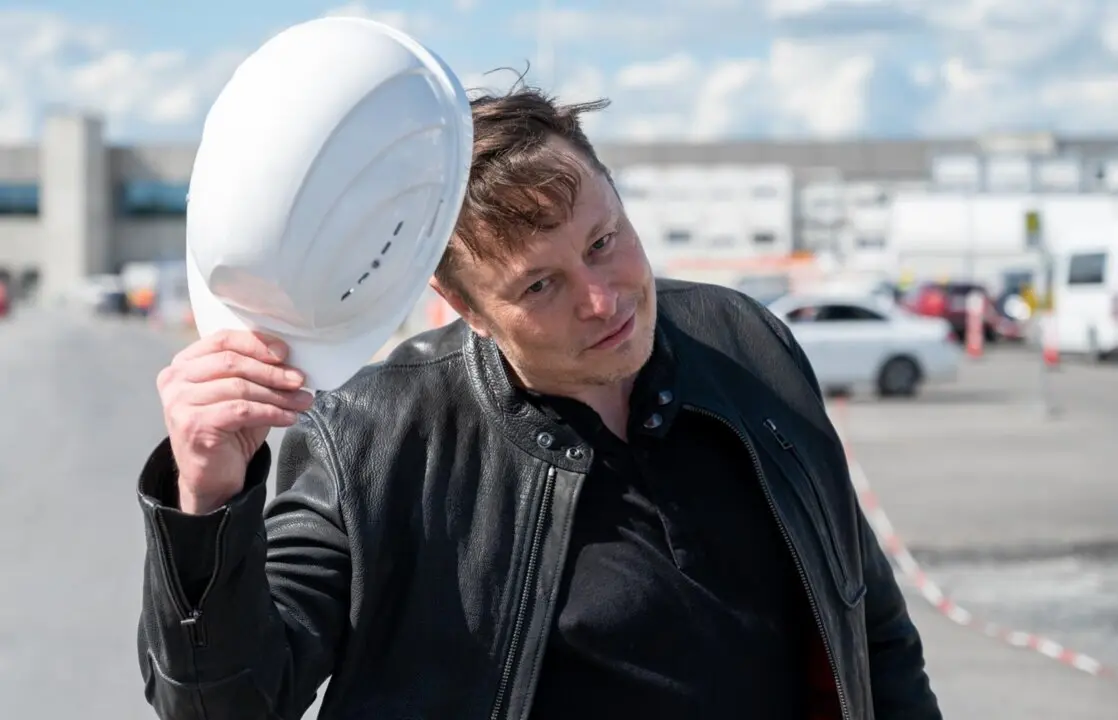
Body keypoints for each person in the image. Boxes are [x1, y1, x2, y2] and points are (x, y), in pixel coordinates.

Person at [137, 86, 942, 720]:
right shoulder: (374, 435)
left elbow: (868, 625)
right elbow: (230, 705)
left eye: (603, 241)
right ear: (468, 310)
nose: (602, 299)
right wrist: (207, 501)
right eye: (539, 285)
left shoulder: (745, 342)